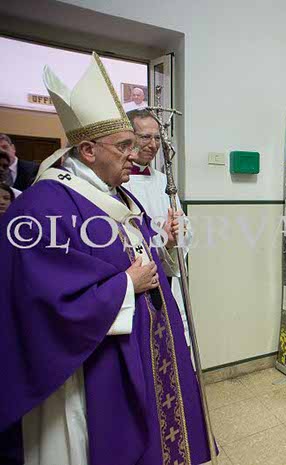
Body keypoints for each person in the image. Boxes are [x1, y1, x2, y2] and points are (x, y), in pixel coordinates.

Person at [0, 53, 211, 465]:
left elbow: (146, 260)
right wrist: (126, 286)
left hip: (137, 351)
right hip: (84, 372)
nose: (136, 154)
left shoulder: (118, 195)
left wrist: (167, 247)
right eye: (125, 145)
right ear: (88, 149)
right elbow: (42, 303)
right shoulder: (43, 207)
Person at [122, 109, 192, 345]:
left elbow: (184, 228)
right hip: (138, 279)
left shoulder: (164, 181)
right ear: (128, 137)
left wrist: (178, 233)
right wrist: (160, 240)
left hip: (167, 276)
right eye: (145, 137)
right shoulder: (118, 182)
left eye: (157, 138)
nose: (153, 145)